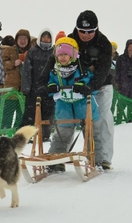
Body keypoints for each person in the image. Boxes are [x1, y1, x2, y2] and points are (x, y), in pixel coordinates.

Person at [46, 37, 99, 173]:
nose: (63, 58)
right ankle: (56, 160)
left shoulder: (81, 68)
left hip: (82, 103)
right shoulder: (55, 71)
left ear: (73, 55)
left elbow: (89, 78)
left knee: (88, 132)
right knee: (62, 132)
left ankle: (93, 159)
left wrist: (83, 84)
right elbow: (51, 81)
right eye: (60, 55)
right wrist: (51, 86)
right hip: (64, 105)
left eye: (66, 54)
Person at [69, 10, 113, 170]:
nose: (86, 35)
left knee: (100, 118)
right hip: (77, 85)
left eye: (90, 32)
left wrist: (93, 85)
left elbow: (103, 68)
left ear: (96, 29)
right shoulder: (70, 40)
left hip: (101, 85)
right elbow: (56, 60)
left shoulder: (104, 43)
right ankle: (77, 153)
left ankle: (104, 157)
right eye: (82, 31)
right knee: (76, 119)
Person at [20, 28, 55, 142]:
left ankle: (45, 135)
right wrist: (26, 88)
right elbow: (26, 71)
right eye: (44, 37)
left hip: (49, 89)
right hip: (34, 88)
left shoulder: (54, 52)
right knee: (29, 114)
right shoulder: (33, 51)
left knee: (48, 113)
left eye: (48, 37)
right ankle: (23, 136)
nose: (46, 39)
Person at [0, 29, 31, 129]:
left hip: (24, 89)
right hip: (10, 88)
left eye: (25, 38)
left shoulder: (31, 52)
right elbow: (2, 65)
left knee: (21, 114)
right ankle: (4, 133)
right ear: (16, 39)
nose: (22, 41)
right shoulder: (10, 50)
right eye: (20, 38)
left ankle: (18, 133)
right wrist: (13, 63)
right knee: (7, 114)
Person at [110, 41, 119, 114]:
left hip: (115, 82)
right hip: (106, 81)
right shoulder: (105, 56)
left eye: (114, 48)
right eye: (111, 47)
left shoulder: (118, 59)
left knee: (113, 100)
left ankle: (111, 114)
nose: (113, 49)